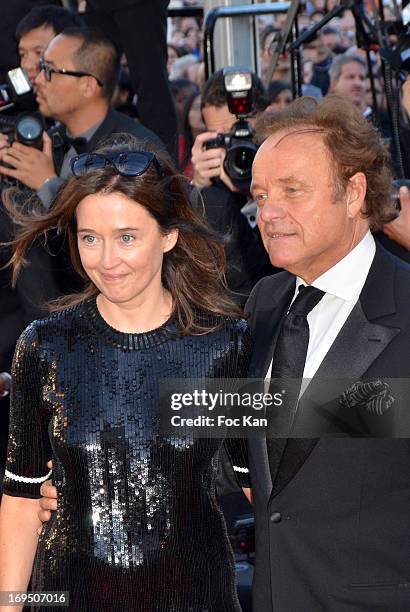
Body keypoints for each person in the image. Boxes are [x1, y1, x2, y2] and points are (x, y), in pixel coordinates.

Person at [0, 134, 250, 611]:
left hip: (195, 600)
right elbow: (22, 497)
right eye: (89, 238)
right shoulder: (45, 346)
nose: (106, 260)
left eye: (127, 237)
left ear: (169, 235)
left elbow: (268, 487)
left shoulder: (223, 345)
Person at [244, 95, 410, 611]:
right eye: (261, 195)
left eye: (292, 191)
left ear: (354, 192)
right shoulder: (265, 301)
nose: (268, 213)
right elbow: (244, 435)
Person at [0, 27, 162, 210]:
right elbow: (17, 229)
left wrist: (47, 183)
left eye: (49, 70)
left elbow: (116, 226)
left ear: (88, 86)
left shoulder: (136, 150)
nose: (37, 79)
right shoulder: (49, 142)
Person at [83, 0, 178, 161]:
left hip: (138, 5)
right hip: (98, 6)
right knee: (90, 83)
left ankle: (165, 169)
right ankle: (87, 162)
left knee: (152, 89)